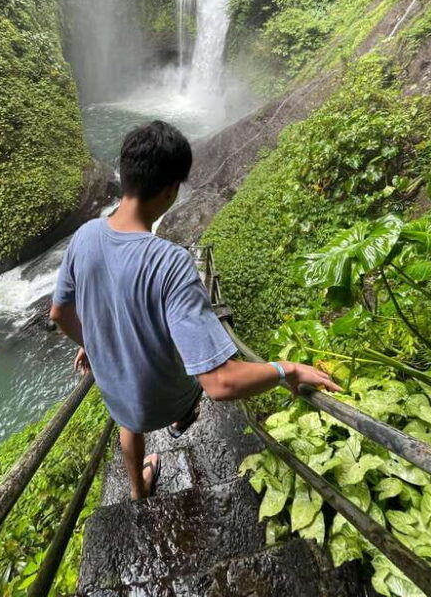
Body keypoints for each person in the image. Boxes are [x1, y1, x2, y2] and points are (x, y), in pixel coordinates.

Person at [50, 120, 340, 500]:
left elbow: (58, 315)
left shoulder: (84, 236)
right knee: (191, 372)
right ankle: (182, 420)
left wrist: (93, 342)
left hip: (118, 395)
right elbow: (219, 383)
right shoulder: (171, 263)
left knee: (127, 423)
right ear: (171, 191)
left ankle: (138, 490)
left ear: (125, 176)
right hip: (169, 400)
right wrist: (287, 369)